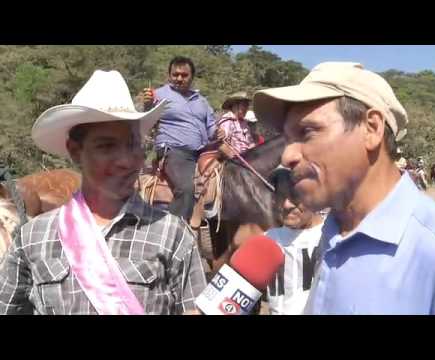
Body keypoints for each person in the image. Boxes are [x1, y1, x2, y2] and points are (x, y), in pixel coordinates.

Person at [254, 61, 435, 314]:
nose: (287, 156)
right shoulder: (331, 236)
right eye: (287, 139)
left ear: (371, 128)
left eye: (307, 132)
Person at [0, 70, 207, 315]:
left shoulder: (172, 234)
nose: (125, 160)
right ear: (75, 151)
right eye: (106, 146)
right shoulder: (34, 236)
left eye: (133, 144)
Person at [143, 56, 223, 220]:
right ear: (169, 75)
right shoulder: (158, 95)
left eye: (184, 75)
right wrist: (147, 104)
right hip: (174, 150)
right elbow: (146, 117)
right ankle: (174, 231)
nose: (179, 79)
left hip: (202, 152)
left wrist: (218, 133)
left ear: (192, 77)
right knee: (186, 188)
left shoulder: (201, 101)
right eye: (175, 74)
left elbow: (211, 129)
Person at [266, 166, 324, 315]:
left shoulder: (332, 240)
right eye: (281, 196)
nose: (286, 205)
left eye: (296, 195)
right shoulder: (265, 241)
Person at [217, 91, 257, 159]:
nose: (247, 109)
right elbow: (222, 144)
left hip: (248, 158)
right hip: (234, 161)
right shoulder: (227, 121)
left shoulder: (244, 123)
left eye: (247, 106)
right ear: (235, 106)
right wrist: (233, 156)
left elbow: (250, 142)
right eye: (244, 105)